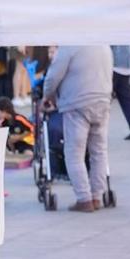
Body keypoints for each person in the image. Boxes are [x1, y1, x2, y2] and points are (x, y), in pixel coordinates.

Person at [41, 45, 114, 212]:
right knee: (99, 152)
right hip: (102, 102)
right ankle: (97, 196)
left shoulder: (70, 46)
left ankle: (84, 199)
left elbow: (53, 76)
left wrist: (47, 95)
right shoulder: (104, 46)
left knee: (74, 153)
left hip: (77, 104)